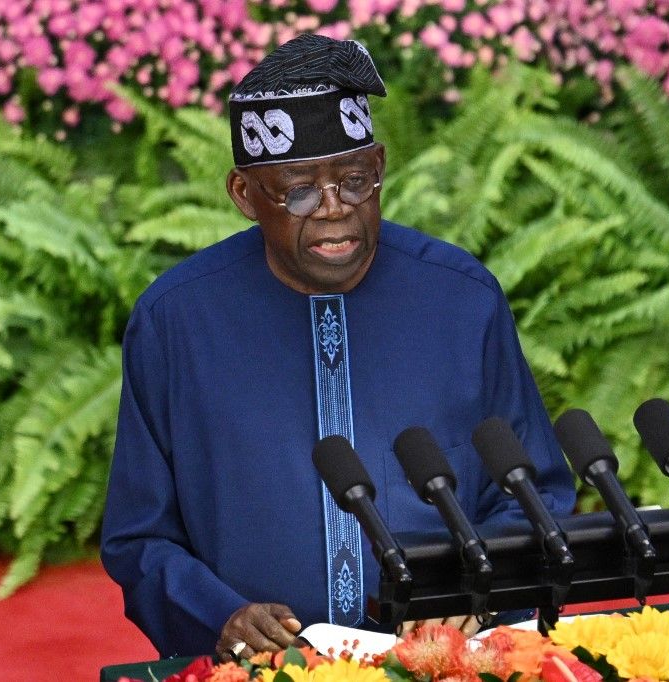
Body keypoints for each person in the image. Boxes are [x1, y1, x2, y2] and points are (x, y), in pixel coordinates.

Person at [100, 34, 576, 661]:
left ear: (379, 167)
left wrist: (477, 591)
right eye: (298, 190)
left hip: (444, 665)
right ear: (244, 196)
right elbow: (140, 538)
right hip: (257, 672)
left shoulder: (462, 301)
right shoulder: (177, 322)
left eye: (355, 181)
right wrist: (222, 617)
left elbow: (538, 498)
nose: (335, 211)